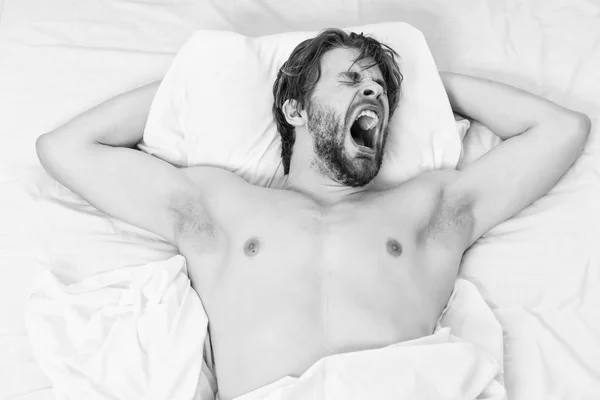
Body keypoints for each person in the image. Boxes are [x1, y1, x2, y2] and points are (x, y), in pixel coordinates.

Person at [36, 29, 591, 400]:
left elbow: (563, 130)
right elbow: (66, 149)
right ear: (295, 109)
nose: (372, 91)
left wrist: (432, 89)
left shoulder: (428, 209)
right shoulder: (222, 207)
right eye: (352, 80)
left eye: (381, 91)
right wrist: (189, 90)